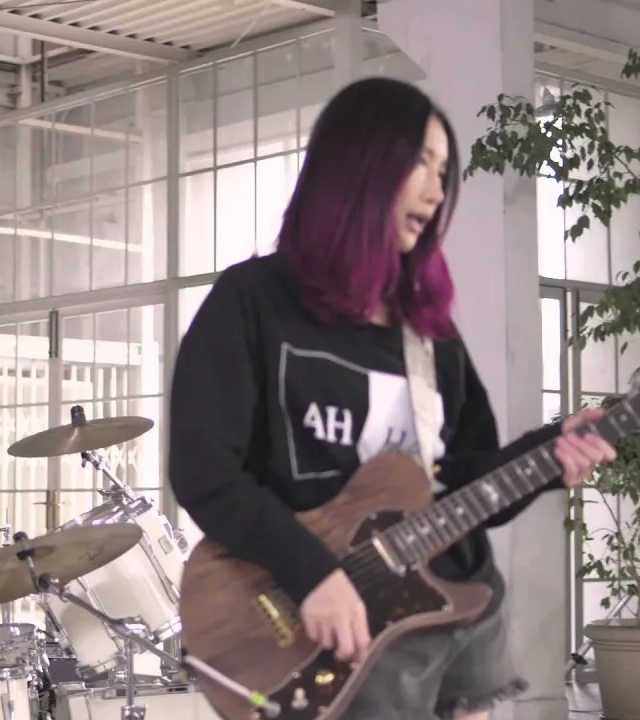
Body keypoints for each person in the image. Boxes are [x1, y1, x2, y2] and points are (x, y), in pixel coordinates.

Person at [167, 77, 617, 720]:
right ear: (359, 163)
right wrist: (311, 573)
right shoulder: (253, 302)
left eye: (444, 172)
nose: (437, 191)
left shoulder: (429, 334)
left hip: (458, 609)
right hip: (329, 628)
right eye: (421, 164)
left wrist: (549, 454)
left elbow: (460, 484)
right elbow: (205, 470)